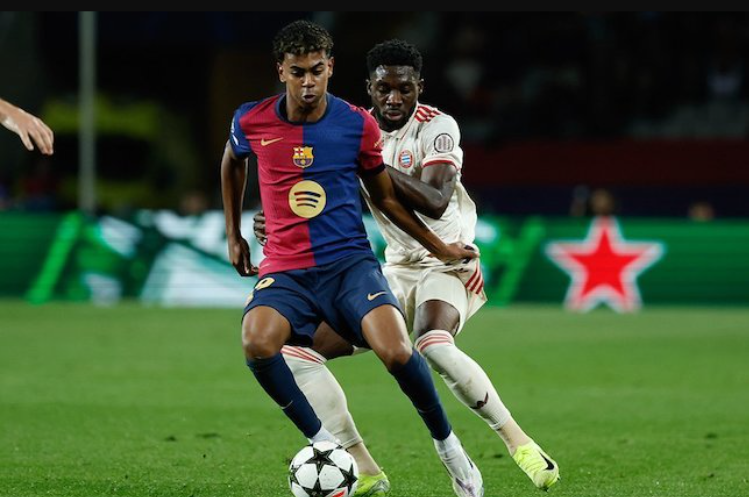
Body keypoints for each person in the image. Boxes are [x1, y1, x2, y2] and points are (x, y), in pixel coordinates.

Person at [254, 39, 561, 495]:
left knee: (432, 345)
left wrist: (362, 160)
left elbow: (436, 201)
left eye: (404, 88)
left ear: (420, 86)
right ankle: (363, 467)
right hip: (393, 271)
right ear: (370, 88)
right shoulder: (348, 129)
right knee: (296, 352)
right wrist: (279, 215)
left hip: (448, 262)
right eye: (384, 89)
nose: (393, 98)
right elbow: (316, 191)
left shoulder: (437, 127)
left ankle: (518, 444)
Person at [221, 21, 483, 497]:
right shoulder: (251, 120)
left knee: (397, 351)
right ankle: (325, 447)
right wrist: (234, 234)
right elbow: (231, 161)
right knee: (257, 343)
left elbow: (386, 198)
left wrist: (441, 249)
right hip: (286, 270)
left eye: (317, 71)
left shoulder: (356, 125)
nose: (307, 82)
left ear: (330, 68)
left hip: (349, 267)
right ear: (281, 70)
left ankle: (450, 450)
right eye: (297, 71)